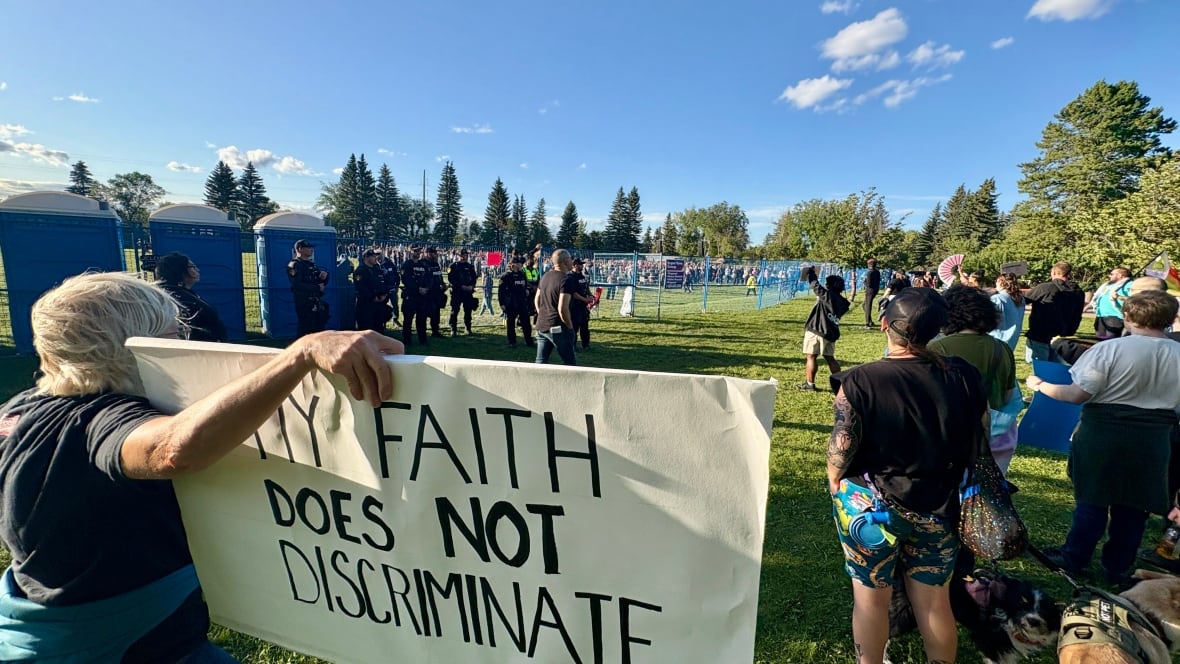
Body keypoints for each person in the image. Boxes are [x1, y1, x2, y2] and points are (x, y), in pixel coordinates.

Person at [0, 271, 401, 662]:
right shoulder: (100, 421)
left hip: (47, 623)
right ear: (130, 344)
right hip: (126, 645)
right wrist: (300, 355)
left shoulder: (22, 410)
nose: (183, 343)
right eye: (173, 335)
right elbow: (171, 449)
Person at [827, 287, 986, 664]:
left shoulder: (860, 380)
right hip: (940, 502)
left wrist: (834, 478)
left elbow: (841, 446)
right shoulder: (964, 374)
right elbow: (981, 432)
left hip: (871, 505)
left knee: (870, 599)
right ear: (936, 330)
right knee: (934, 601)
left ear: (885, 324)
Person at [1029, 290, 1180, 587]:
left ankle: (1075, 556)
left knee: (1092, 498)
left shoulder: (1109, 350)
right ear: (1170, 318)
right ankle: (1118, 565)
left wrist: (1040, 384)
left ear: (1128, 316)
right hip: (1153, 437)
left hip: (1103, 432)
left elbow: (1076, 394)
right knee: (1135, 506)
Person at [930, 285, 1019, 475]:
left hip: (950, 434)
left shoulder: (936, 348)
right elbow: (1007, 395)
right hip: (994, 435)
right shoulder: (1001, 348)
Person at [153, 252, 226, 342]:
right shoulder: (184, 300)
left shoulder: (162, 294)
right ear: (180, 270)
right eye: (192, 266)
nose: (197, 269)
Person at [798, 266, 849, 391]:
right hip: (830, 332)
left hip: (816, 329)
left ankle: (810, 384)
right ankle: (839, 385)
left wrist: (811, 273)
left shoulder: (827, 296)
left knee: (811, 357)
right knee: (830, 358)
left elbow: (815, 285)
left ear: (830, 285)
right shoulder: (843, 303)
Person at [1023, 261, 1085, 363]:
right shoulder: (1078, 292)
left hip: (1040, 335)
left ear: (1054, 272)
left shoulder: (1046, 288)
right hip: (1064, 337)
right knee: (1057, 367)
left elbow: (1023, 300)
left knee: (1040, 367)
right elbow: (1078, 315)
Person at [534, 249, 578, 365]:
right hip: (558, 326)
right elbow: (562, 309)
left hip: (542, 325)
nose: (572, 262)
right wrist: (570, 327)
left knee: (540, 362)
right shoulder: (566, 280)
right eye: (570, 259)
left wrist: (542, 315)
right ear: (565, 261)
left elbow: (537, 299)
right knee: (569, 363)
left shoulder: (545, 276)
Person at [287, 239, 330, 337]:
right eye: (308, 248)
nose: (311, 250)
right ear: (300, 249)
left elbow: (319, 281)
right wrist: (316, 287)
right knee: (306, 327)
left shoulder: (311, 264)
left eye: (311, 248)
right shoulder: (294, 265)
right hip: (304, 301)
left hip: (316, 299)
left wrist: (324, 277)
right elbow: (297, 284)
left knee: (318, 327)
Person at [352, 248, 391, 333]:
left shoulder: (377, 269)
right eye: (373, 256)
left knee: (378, 329)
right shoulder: (360, 271)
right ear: (366, 257)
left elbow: (383, 283)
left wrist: (384, 294)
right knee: (366, 330)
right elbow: (361, 287)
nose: (375, 258)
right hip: (366, 304)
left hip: (379, 304)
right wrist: (373, 297)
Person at [498, 256, 533, 348]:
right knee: (511, 323)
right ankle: (512, 341)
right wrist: (502, 303)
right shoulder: (506, 276)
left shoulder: (522, 274)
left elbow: (526, 285)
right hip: (511, 302)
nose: (520, 265)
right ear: (513, 264)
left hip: (522, 302)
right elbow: (501, 291)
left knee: (526, 321)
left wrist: (527, 290)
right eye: (518, 263)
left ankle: (528, 340)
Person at [1090, 267, 1133, 339]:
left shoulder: (1129, 284)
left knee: (1110, 339)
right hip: (1101, 315)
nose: (1109, 276)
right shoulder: (1108, 285)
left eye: (1112, 274)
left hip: (1114, 316)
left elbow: (1135, 299)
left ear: (1120, 275)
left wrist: (1119, 297)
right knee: (1099, 339)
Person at [400, 245, 429, 346]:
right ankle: (407, 340)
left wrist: (426, 288)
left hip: (422, 296)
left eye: (419, 251)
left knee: (422, 319)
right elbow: (406, 280)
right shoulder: (406, 265)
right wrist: (418, 288)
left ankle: (423, 339)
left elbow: (429, 278)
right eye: (415, 251)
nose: (417, 253)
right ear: (410, 252)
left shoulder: (423, 264)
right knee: (408, 319)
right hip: (411, 295)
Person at [989, 273, 1025, 351]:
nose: (996, 284)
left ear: (1001, 283)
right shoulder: (1021, 299)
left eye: (997, 281)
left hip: (996, 340)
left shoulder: (997, 298)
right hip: (1012, 342)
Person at [447, 248, 478, 336]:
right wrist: (461, 286)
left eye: (466, 255)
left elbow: (474, 278)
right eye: (463, 255)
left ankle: (468, 328)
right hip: (457, 292)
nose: (465, 256)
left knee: (468, 311)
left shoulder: (470, 266)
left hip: (467, 293)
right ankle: (453, 329)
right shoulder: (453, 266)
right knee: (454, 311)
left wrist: (472, 286)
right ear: (459, 255)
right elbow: (451, 279)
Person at [569, 258, 594, 350]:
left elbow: (586, 288)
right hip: (575, 306)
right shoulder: (571, 277)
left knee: (585, 326)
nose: (582, 266)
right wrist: (585, 299)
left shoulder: (582, 276)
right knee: (574, 326)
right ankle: (573, 345)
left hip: (583, 306)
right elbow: (574, 293)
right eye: (580, 264)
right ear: (575, 265)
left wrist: (591, 296)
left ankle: (585, 344)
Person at [422, 247, 447, 337]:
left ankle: (435, 330)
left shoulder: (435, 264)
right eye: (433, 253)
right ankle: (423, 331)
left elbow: (439, 276)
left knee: (436, 312)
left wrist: (443, 284)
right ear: (427, 253)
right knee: (425, 312)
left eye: (435, 253)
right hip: (427, 292)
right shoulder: (422, 264)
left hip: (437, 291)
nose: (435, 255)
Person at [861, 259, 881, 329]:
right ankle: (870, 321)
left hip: (869, 290)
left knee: (867, 306)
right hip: (875, 289)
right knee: (864, 305)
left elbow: (869, 284)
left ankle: (867, 323)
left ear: (870, 265)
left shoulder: (869, 273)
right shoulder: (877, 272)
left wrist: (864, 282)